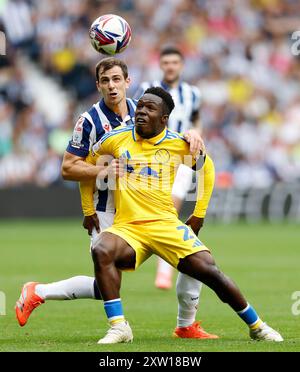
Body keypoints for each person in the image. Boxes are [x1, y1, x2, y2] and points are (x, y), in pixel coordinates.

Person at [15, 58, 216, 339]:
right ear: (98, 85)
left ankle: (187, 324)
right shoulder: (88, 121)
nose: (112, 86)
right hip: (105, 210)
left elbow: (171, 135)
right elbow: (68, 168)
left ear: (127, 82)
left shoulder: (141, 110)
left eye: (116, 80)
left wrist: (192, 134)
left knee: (193, 258)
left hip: (145, 208)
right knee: (106, 285)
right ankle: (39, 291)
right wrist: (102, 171)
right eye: (105, 81)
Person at [80, 87, 283, 344]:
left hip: (165, 224)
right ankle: (119, 327)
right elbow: (85, 167)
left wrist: (199, 214)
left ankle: (257, 326)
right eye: (140, 106)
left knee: (210, 271)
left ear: (164, 118)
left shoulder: (179, 144)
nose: (141, 111)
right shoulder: (116, 138)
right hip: (128, 228)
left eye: (150, 108)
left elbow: (207, 170)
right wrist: (88, 210)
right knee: (101, 249)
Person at [135, 46, 202, 290]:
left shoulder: (193, 93)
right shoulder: (146, 87)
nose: (170, 66)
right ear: (160, 65)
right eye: (166, 62)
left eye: (175, 62)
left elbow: (196, 120)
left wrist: (196, 136)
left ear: (181, 65)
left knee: (171, 207)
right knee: (154, 209)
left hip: (180, 158)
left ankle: (164, 269)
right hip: (152, 158)